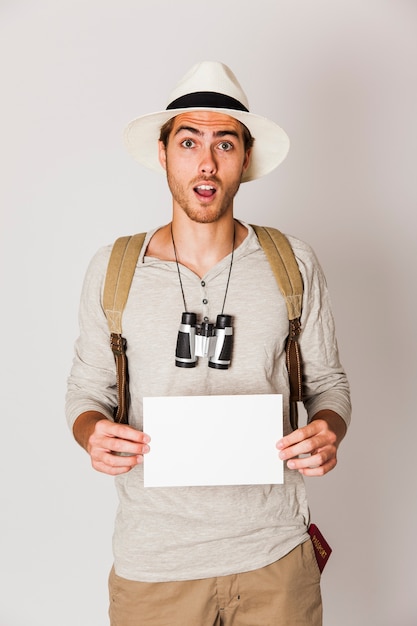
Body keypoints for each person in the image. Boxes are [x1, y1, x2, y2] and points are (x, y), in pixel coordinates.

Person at [66, 61, 351, 626]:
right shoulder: (114, 268)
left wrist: (328, 431)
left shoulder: (290, 263)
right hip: (155, 567)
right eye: (189, 140)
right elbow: (85, 390)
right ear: (163, 153)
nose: (206, 161)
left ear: (245, 159)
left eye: (224, 143)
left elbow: (329, 385)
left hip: (275, 559)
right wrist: (92, 434)